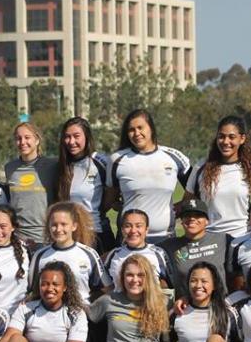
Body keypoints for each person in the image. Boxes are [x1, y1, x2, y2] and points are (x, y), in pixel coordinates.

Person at [105, 109, 191, 242]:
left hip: (165, 238)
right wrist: (124, 208)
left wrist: (180, 207)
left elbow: (194, 189)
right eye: (131, 130)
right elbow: (110, 200)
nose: (136, 133)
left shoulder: (175, 157)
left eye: (140, 128)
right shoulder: (117, 159)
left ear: (151, 128)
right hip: (130, 239)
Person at [185, 115, 251, 238]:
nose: (226, 142)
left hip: (241, 238)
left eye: (231, 137)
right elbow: (188, 202)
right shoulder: (201, 167)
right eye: (221, 136)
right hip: (209, 239)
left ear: (242, 139)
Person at [29, 202, 112, 303]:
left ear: (74, 226)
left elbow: (106, 288)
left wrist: (90, 308)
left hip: (81, 311)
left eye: (63, 224)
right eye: (54, 225)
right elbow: (32, 291)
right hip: (48, 312)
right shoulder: (40, 255)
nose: (58, 229)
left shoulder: (88, 254)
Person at [57, 117, 114, 253]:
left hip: (97, 235)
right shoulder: (60, 167)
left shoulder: (101, 162)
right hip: (69, 235)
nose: (71, 142)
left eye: (76, 136)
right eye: (67, 137)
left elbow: (113, 194)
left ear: (87, 137)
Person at [4, 122, 59, 249]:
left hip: (46, 238)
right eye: (18, 138)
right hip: (18, 238)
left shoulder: (52, 165)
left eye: (27, 137)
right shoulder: (9, 168)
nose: (22, 142)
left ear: (37, 140)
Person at [160, 199, 228, 299]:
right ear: (181, 221)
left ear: (207, 221)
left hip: (220, 302)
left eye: (198, 215)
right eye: (187, 215)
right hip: (187, 304)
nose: (192, 218)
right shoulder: (169, 246)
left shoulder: (223, 239)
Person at [104, 209, 172, 290]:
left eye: (138, 226)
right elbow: (105, 285)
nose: (133, 230)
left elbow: (169, 283)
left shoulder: (158, 253)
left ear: (146, 230)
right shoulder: (114, 254)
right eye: (128, 226)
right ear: (122, 230)